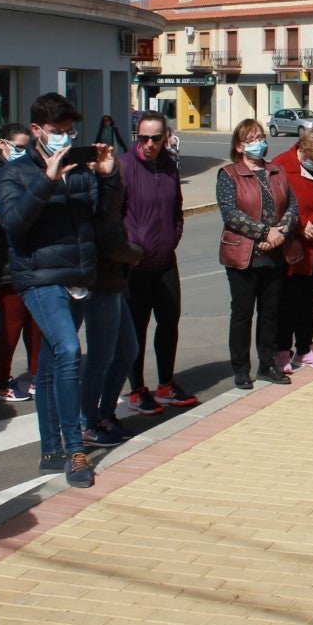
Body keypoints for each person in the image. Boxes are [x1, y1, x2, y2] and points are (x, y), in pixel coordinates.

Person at [0, 92, 111, 488]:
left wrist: (108, 177)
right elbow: (13, 224)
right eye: (55, 132)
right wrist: (46, 181)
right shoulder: (15, 174)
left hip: (78, 276)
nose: (63, 139)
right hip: (39, 278)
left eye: (69, 132)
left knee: (50, 363)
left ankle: (50, 448)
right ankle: (74, 447)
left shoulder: (80, 171)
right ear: (36, 132)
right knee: (67, 349)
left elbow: (102, 220)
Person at [217, 119, 296, 389]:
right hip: (243, 254)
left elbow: (291, 208)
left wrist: (279, 234)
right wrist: (265, 233)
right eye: (251, 138)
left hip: (274, 254)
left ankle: (267, 363)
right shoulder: (229, 175)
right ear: (239, 146)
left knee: (270, 312)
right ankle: (241, 368)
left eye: (261, 136)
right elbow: (232, 215)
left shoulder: (276, 171)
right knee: (242, 313)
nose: (258, 142)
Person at [119, 112, 190, 414]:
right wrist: (130, 247)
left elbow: (176, 209)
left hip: (165, 259)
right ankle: (136, 389)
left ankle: (166, 383)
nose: (148, 144)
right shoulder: (124, 166)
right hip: (136, 265)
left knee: (169, 321)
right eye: (142, 137)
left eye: (155, 138)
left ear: (165, 137)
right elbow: (113, 214)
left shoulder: (170, 167)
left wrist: (174, 236)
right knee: (136, 328)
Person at [80, 157, 142, 448]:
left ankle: (104, 413)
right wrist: (136, 252)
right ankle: (88, 422)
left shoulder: (112, 204)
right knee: (100, 359)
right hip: (100, 286)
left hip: (116, 285)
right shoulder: (96, 202)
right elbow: (110, 245)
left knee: (128, 350)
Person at [0, 123, 40, 402]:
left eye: (27, 147)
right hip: (5, 259)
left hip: (31, 256)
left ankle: (38, 375)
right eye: (19, 147)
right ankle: (0, 381)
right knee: (12, 322)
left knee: (36, 320)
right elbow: (2, 211)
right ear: (3, 144)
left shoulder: (26, 167)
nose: (23, 152)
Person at [272, 123, 313, 370]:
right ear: (303, 147)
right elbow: (275, 206)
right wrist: (300, 225)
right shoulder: (281, 165)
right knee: (287, 300)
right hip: (291, 248)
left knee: (308, 300)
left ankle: (304, 349)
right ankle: (281, 351)